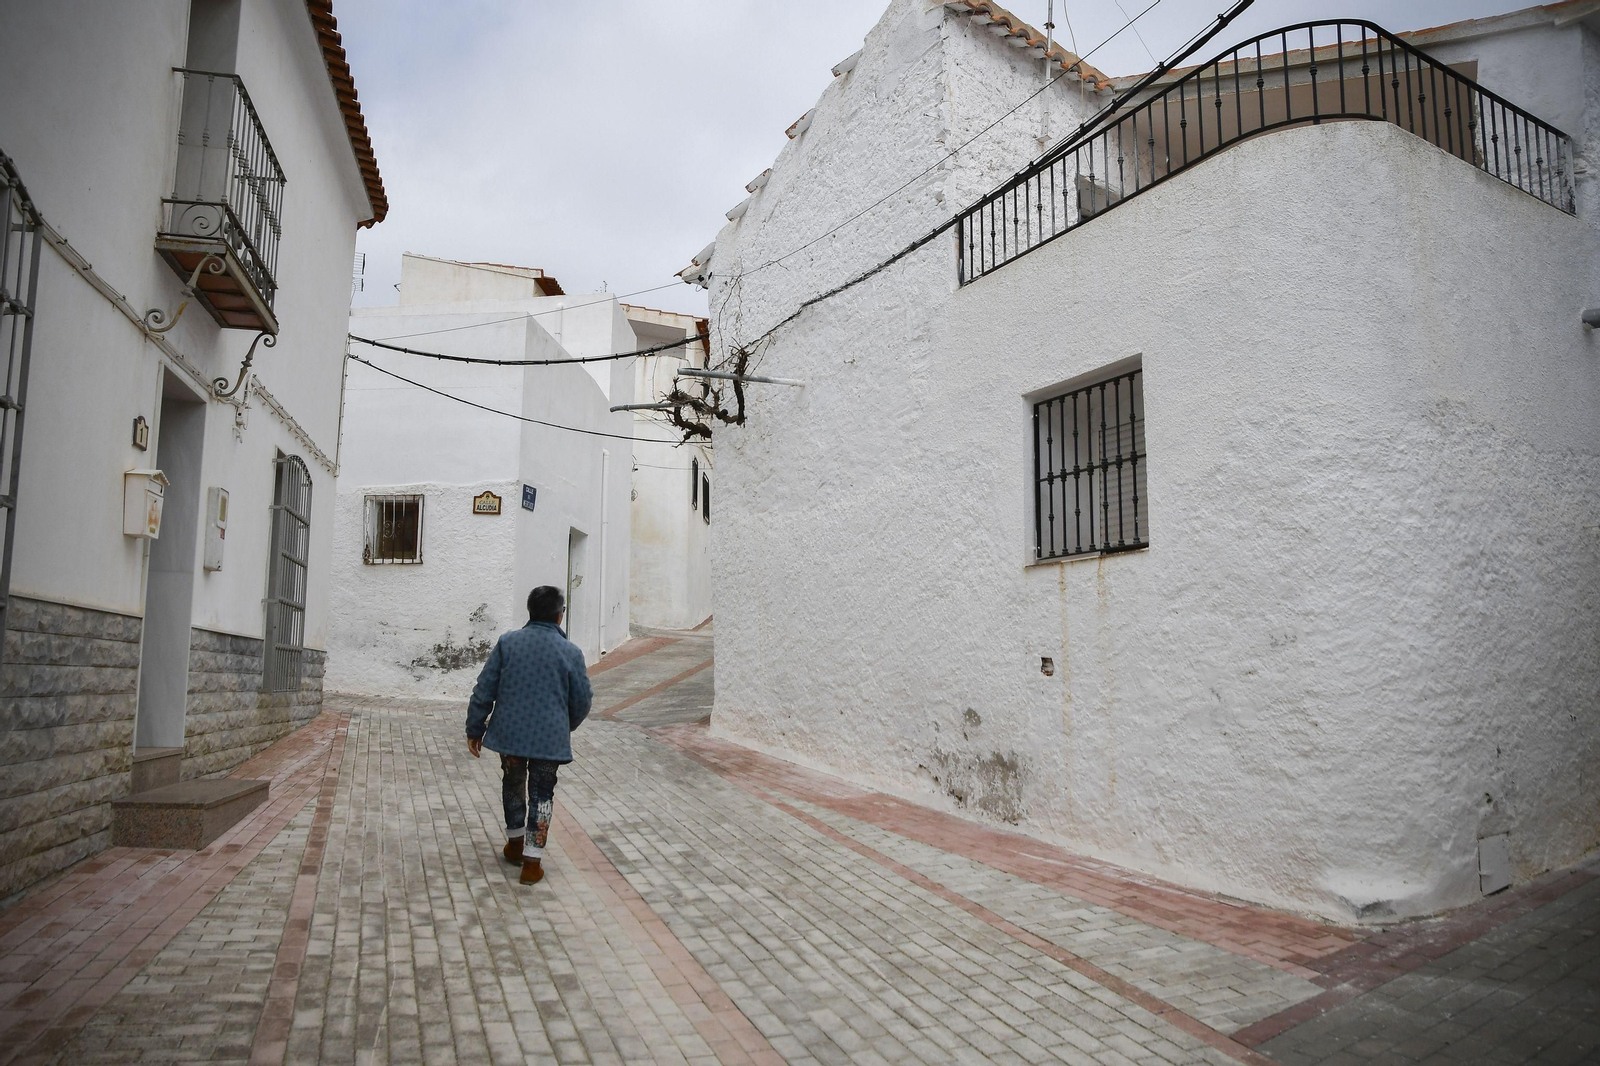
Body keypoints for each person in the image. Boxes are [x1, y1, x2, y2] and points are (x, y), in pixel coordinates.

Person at [465, 585, 593, 885]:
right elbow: (583, 700)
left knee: (512, 783)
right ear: (560, 616)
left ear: (530, 611)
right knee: (542, 793)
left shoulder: (508, 643)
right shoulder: (570, 652)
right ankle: (532, 863)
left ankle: (515, 843)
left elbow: (485, 688)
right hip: (549, 738)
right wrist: (566, 724)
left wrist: (475, 727)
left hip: (510, 734)